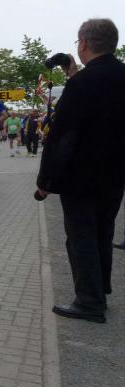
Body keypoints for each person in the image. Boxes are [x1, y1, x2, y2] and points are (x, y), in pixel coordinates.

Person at [38, 18, 125, 323]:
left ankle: (89, 301)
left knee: (81, 236)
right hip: (115, 174)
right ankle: (101, 289)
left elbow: (63, 135)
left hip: (81, 176)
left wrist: (45, 180)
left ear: (84, 43)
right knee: (103, 231)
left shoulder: (81, 83)